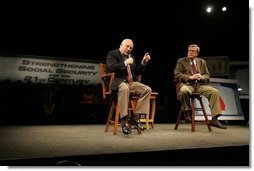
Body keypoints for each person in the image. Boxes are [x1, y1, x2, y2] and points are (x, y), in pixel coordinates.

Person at [174, 44, 227, 129]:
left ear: (197, 53)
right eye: (189, 51)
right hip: (187, 85)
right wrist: (190, 77)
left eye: (193, 51)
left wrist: (201, 77)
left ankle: (215, 119)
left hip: (200, 85)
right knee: (184, 91)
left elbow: (207, 75)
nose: (190, 52)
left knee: (215, 92)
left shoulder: (202, 62)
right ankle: (187, 111)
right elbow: (177, 74)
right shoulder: (181, 61)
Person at [106, 38, 152, 134]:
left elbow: (136, 72)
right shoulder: (113, 54)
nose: (129, 49)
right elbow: (110, 67)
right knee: (125, 88)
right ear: (121, 45)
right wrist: (125, 63)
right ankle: (125, 121)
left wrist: (143, 62)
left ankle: (136, 117)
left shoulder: (131, 57)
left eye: (131, 47)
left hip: (130, 82)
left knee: (147, 89)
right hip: (118, 82)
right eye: (127, 46)